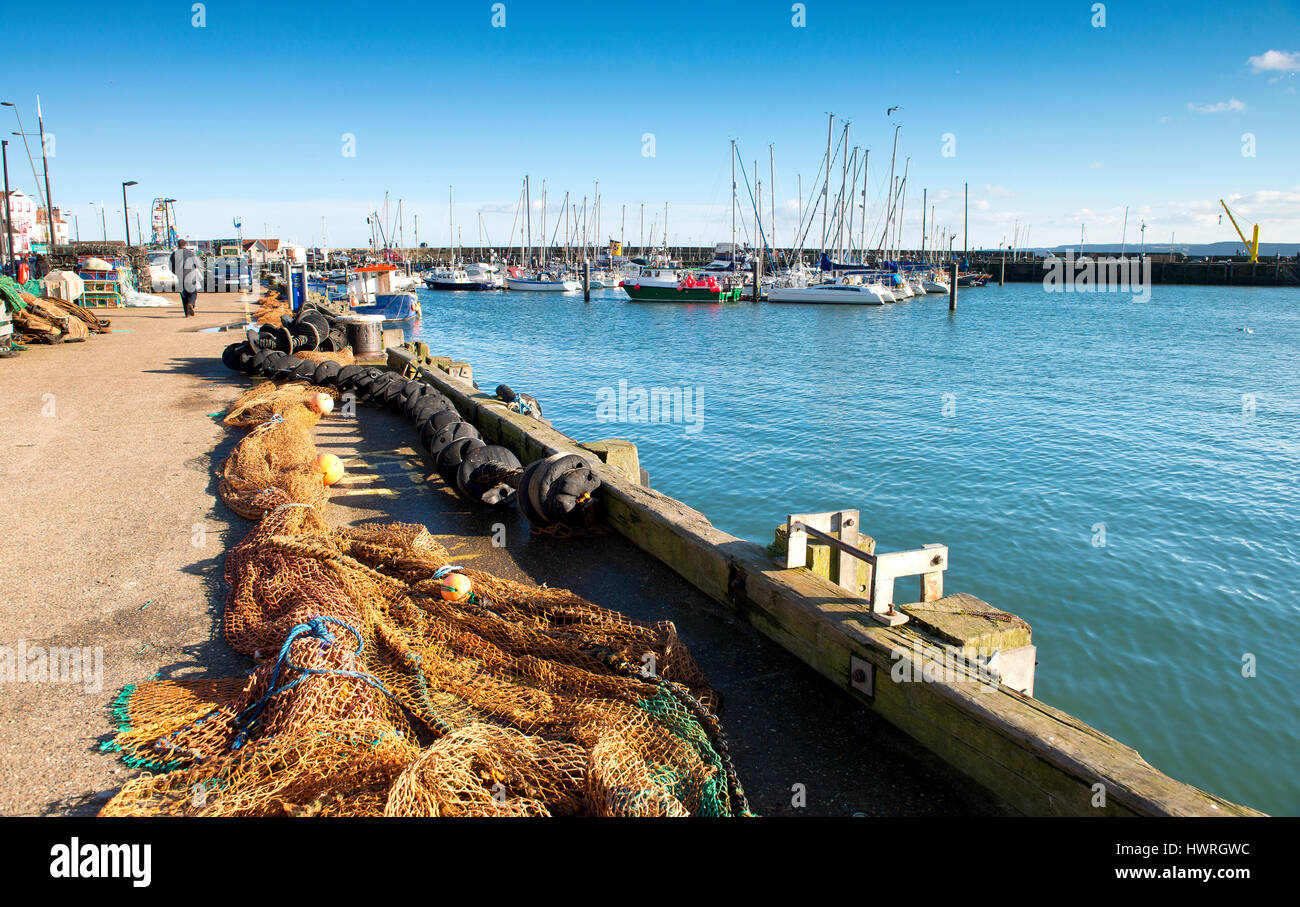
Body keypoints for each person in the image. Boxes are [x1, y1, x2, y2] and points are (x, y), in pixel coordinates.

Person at [169, 239, 200, 317]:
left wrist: (176, 273)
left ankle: (187, 314)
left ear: (178, 245)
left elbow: (171, 266)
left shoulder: (174, 254)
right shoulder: (191, 253)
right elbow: (197, 264)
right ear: (185, 244)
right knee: (193, 292)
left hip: (180, 276)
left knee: (184, 295)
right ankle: (191, 303)